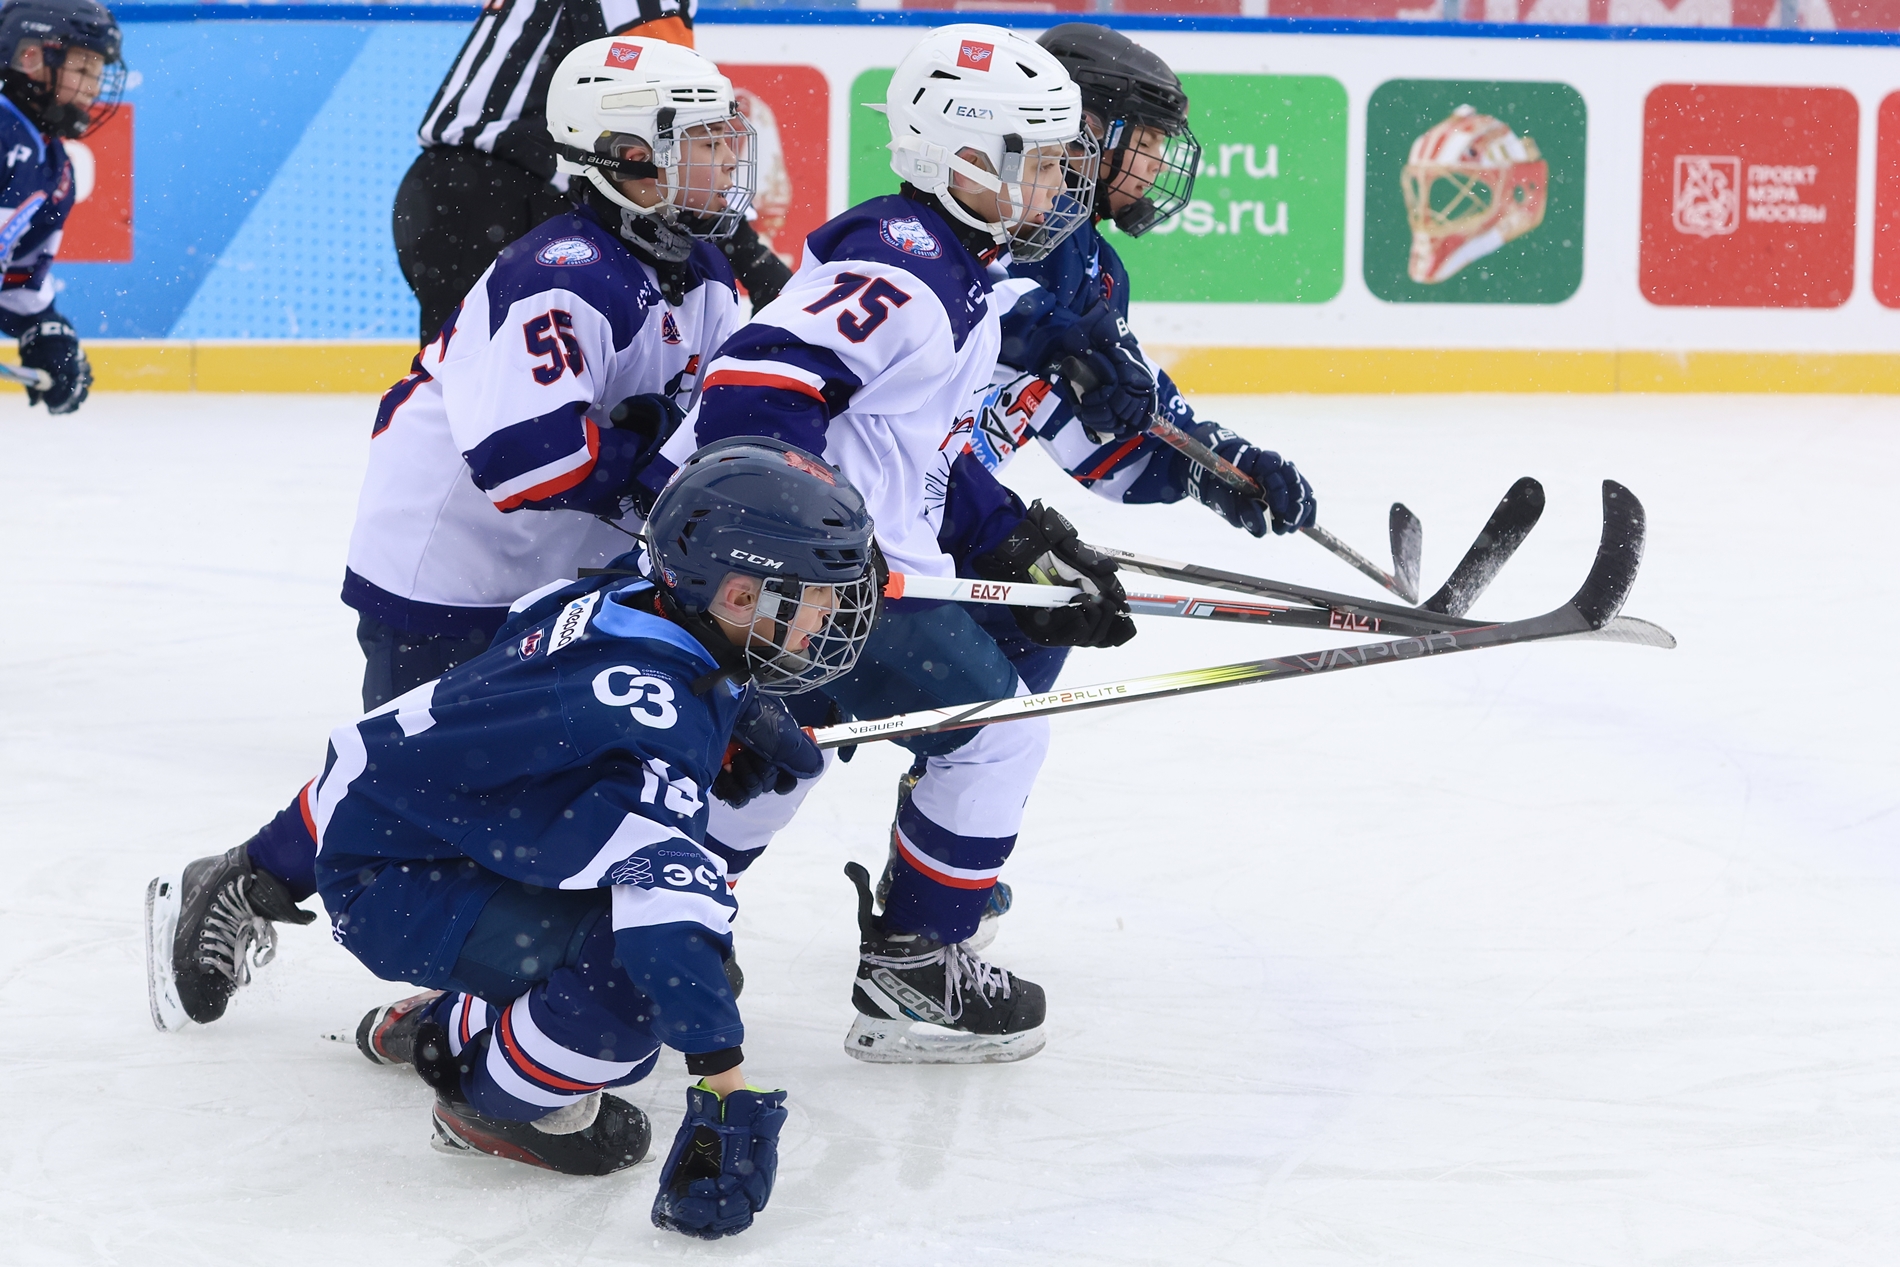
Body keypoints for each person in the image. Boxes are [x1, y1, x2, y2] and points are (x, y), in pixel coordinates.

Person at [143, 36, 752, 1032]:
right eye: (701, 142)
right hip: (449, 563)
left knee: (545, 767)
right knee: (414, 774)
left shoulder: (707, 274)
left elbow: (718, 421)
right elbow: (528, 460)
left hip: (570, 567)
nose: (725, 162)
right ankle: (247, 880)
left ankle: (486, 994)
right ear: (624, 153)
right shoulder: (562, 271)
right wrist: (658, 473)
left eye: (727, 140)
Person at [655, 24, 1134, 1065]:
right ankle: (916, 967)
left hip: (833, 571)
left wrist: (1018, 542)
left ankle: (653, 924)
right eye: (1042, 161)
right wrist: (803, 550)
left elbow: (921, 454)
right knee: (996, 730)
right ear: (967, 159)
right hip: (808, 581)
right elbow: (753, 389)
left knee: (788, 751)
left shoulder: (956, 264)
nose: (1062, 185)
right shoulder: (907, 268)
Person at [316, 438, 873, 1236]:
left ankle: (447, 1026)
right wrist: (724, 1083)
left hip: (429, 829)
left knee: (638, 947)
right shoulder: (657, 727)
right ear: (739, 594)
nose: (827, 616)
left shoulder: (628, 596)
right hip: (401, 876)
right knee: (631, 999)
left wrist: (735, 709)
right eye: (814, 594)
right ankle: (485, 1103)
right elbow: (663, 915)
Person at [395, 0, 791, 345]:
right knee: (472, 382)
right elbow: (673, 126)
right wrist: (754, 263)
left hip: (472, 190)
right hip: (490, 195)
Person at [0, 0, 124, 414]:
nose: (93, 88)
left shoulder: (55, 171)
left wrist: (43, 332)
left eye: (98, 75)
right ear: (29, 57)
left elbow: (18, 283)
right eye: (83, 70)